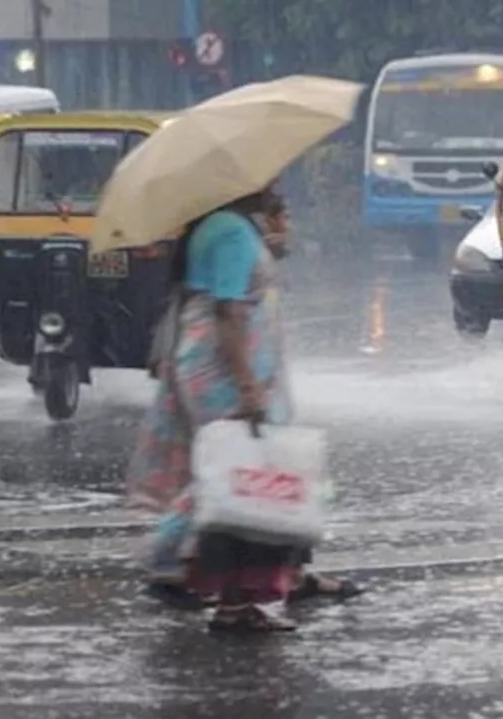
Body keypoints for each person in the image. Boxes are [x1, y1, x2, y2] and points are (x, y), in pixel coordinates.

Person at [129, 186, 358, 632]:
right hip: (223, 370)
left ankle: (259, 577)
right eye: (268, 183)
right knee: (233, 478)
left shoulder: (219, 227)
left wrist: (269, 249)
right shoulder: (231, 231)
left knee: (224, 472)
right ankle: (191, 575)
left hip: (207, 364)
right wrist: (248, 386)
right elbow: (229, 313)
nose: (275, 189)